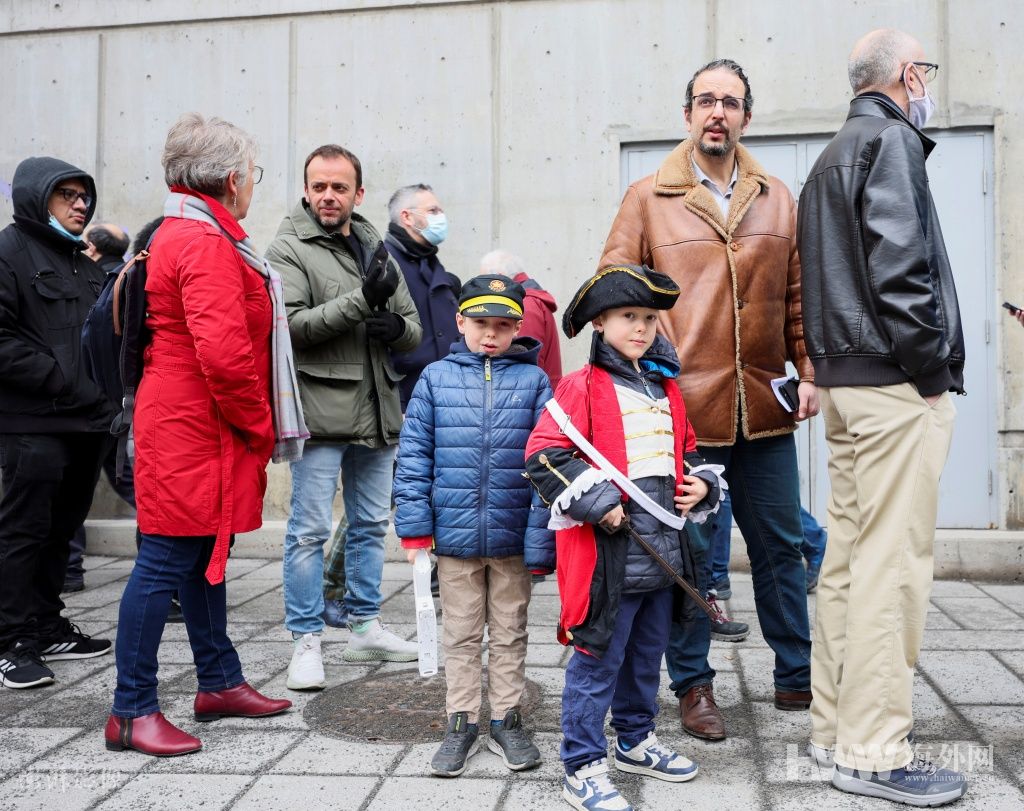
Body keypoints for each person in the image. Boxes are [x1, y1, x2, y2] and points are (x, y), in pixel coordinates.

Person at [599, 58, 817, 741]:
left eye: (730, 102)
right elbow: (613, 286)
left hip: (765, 404)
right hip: (683, 409)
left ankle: (796, 673)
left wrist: (808, 368)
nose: (717, 112)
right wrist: (647, 367)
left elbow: (798, 298)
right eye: (705, 101)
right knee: (691, 553)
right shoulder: (646, 197)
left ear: (747, 116)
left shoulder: (778, 196)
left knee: (781, 545)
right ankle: (694, 686)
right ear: (688, 115)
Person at [797, 29, 966, 806]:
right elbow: (902, 269)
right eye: (923, 71)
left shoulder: (833, 153)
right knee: (893, 568)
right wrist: (930, 370)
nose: (927, 84)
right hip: (897, 385)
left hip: (846, 384)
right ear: (906, 74)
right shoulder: (890, 141)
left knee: (848, 562)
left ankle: (834, 733)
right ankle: (873, 751)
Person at [105, 113, 300, 756]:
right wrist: (259, 425)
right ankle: (131, 711)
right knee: (164, 559)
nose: (253, 185)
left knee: (199, 555)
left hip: (189, 418)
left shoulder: (187, 232)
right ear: (233, 179)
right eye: (253, 175)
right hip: (194, 422)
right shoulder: (205, 242)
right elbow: (222, 354)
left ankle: (219, 681)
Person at [526, 265, 725, 811]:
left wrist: (701, 485)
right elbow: (544, 454)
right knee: (597, 662)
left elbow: (686, 452)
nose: (640, 328)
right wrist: (598, 504)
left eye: (647, 318)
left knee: (646, 657)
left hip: (663, 554)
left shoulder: (665, 387)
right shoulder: (580, 386)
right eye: (626, 317)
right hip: (608, 556)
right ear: (601, 322)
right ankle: (582, 762)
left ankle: (636, 740)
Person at [267, 144, 423, 691]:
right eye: (318, 186)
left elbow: (411, 322)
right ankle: (305, 640)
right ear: (306, 189)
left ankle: (364, 625)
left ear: (359, 194)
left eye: (339, 187)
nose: (328, 196)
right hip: (319, 411)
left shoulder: (373, 242)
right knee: (308, 531)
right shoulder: (287, 246)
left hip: (378, 407)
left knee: (369, 526)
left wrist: (394, 331)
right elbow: (292, 326)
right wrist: (362, 303)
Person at [394, 274, 553, 777]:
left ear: (518, 327)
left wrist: (542, 538)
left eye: (504, 325)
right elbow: (414, 456)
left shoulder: (534, 382)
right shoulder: (435, 379)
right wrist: (415, 529)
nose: (491, 334)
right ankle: (459, 720)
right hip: (456, 540)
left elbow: (549, 461)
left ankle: (507, 717)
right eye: (481, 322)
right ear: (460, 321)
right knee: (461, 633)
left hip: (511, 538)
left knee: (510, 631)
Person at [0, 157, 114, 690]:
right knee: (23, 532)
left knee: (60, 531)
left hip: (86, 424)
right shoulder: (7, 254)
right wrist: (61, 379)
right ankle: (10, 640)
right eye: (65, 195)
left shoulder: (82, 261)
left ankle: (47, 625)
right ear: (34, 198)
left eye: (83, 195)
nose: (80, 204)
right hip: (32, 423)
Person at [321, 182, 457, 629]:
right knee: (378, 503)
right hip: (397, 398)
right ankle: (331, 589)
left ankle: (440, 575)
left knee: (405, 497)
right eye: (432, 209)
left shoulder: (431, 266)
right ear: (408, 218)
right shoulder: (385, 263)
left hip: (435, 399)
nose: (440, 216)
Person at [63, 222, 135, 593]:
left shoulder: (86, 280)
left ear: (90, 247)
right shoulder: (128, 277)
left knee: (72, 487)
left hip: (86, 406)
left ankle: (70, 570)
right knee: (133, 483)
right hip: (120, 405)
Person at [479, 250, 563, 389]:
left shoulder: (524, 305)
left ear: (498, 279)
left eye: (486, 281)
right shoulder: (528, 301)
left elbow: (525, 362)